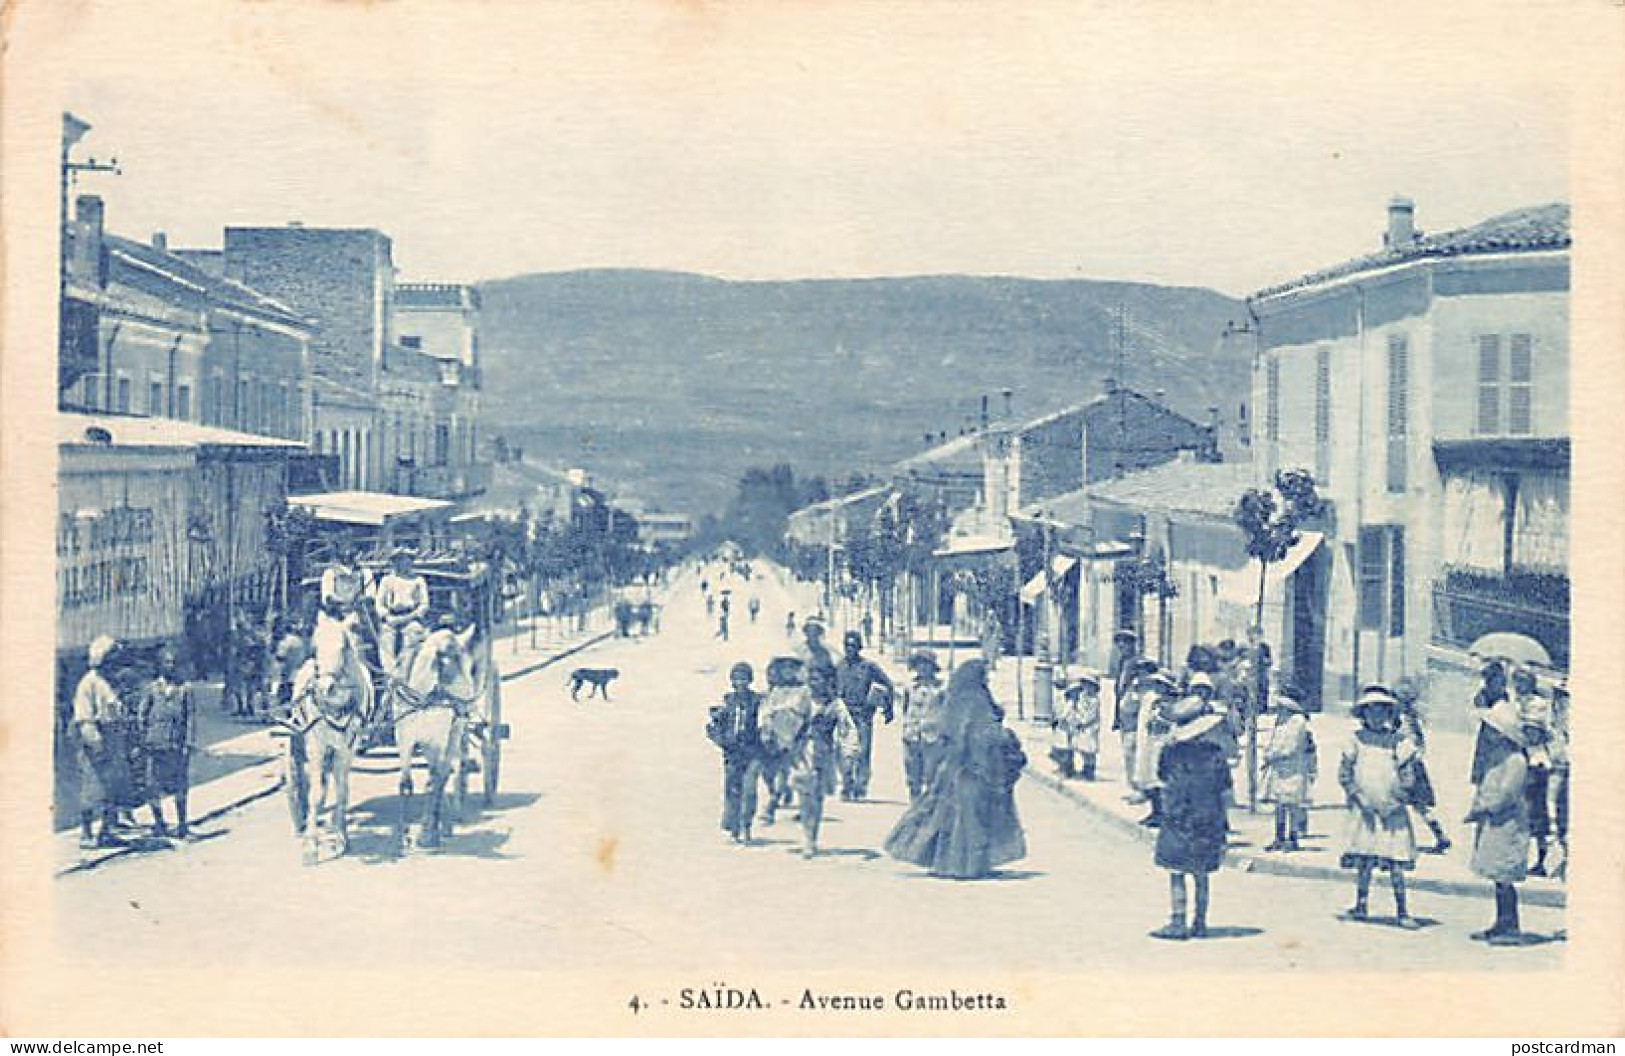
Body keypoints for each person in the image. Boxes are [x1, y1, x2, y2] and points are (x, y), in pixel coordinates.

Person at [885, 659, 1027, 879]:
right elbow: (974, 734)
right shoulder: (973, 702)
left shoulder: (962, 700)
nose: (986, 680)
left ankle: (955, 863)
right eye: (984, 676)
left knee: (950, 818)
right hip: (972, 769)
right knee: (969, 819)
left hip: (962, 768)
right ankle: (967, 865)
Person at [1337, 686, 1422, 929]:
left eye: (1382, 711)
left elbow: (1409, 778)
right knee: (1365, 859)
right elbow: (1345, 775)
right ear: (1363, 714)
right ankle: (1361, 904)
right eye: (1371, 711)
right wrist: (1359, 798)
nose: (1376, 716)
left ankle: (1402, 911)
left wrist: (1396, 801)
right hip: (1364, 810)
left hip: (1391, 810)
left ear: (1389, 714)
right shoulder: (1355, 740)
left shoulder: (1399, 742)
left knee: (1395, 860)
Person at [1149, 692, 1232, 940]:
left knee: (1176, 871)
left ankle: (1178, 921)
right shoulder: (1215, 754)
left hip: (1178, 816)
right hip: (1209, 817)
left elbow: (1162, 778)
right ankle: (1200, 922)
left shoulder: (1170, 753)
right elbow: (1225, 790)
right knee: (1201, 873)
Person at [1466, 695, 1544, 945]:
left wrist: (1486, 808)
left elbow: (1508, 794)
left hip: (1507, 824)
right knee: (1498, 878)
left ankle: (1511, 927)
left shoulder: (1515, 760)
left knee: (1505, 876)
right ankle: (1501, 923)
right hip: (1495, 822)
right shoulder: (1498, 756)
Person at [73, 636, 132, 849]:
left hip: (114, 739)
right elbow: (84, 718)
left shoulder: (110, 681)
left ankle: (106, 831)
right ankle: (87, 833)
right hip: (96, 742)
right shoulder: (88, 683)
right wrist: (97, 745)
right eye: (112, 658)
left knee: (113, 788)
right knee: (92, 789)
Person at [139, 645, 196, 838]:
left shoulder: (185, 689)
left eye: (174, 663)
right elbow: (142, 715)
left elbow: (190, 717)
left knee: (180, 784)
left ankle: (182, 824)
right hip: (155, 743)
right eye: (167, 662)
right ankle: (159, 823)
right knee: (153, 785)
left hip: (176, 744)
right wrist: (144, 739)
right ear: (160, 665)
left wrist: (189, 743)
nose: (170, 666)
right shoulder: (152, 688)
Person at [789, 661, 844, 858]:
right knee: (805, 795)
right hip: (803, 752)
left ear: (827, 681)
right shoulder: (801, 699)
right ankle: (807, 837)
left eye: (817, 679)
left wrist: (847, 752)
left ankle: (813, 835)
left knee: (818, 797)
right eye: (811, 679)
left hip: (824, 753)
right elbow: (787, 721)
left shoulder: (835, 704)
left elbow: (846, 730)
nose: (813, 683)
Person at [834, 630, 895, 801]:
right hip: (844, 715)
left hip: (863, 715)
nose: (850, 649)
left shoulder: (869, 667)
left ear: (859, 647)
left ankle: (860, 787)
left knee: (863, 752)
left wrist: (888, 708)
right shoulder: (839, 667)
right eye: (847, 645)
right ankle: (846, 785)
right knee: (844, 752)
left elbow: (888, 684)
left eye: (853, 645)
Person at [705, 662, 762, 845]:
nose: (740, 683)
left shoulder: (757, 701)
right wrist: (721, 740)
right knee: (733, 790)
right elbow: (714, 726)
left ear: (750, 680)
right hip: (732, 753)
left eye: (744, 679)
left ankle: (746, 825)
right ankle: (734, 827)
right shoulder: (727, 702)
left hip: (752, 752)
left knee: (749, 790)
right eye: (737, 679)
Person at [1393, 676, 1451, 854]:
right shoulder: (1412, 720)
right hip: (1415, 766)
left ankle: (1396, 840)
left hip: (1404, 766)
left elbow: (1407, 746)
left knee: (1396, 801)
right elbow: (1420, 745)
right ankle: (1440, 835)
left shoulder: (1401, 721)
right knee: (1420, 806)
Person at [1510, 668, 1555, 875]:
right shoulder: (1514, 702)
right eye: (1516, 681)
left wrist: (1520, 722)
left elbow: (1536, 732)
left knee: (1533, 815)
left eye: (1522, 682)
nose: (1518, 686)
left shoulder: (1538, 704)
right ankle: (1522, 858)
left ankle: (1539, 861)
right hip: (1522, 760)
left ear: (1530, 683)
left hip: (1536, 762)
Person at [1261, 682, 1315, 852]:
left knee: (1292, 804)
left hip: (1293, 768)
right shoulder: (1281, 721)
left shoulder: (1298, 722)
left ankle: (1292, 838)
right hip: (1279, 768)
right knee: (1279, 804)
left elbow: (1291, 746)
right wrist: (1268, 753)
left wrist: (1274, 755)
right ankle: (1279, 837)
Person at [756, 656, 807, 828]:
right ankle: (778, 791)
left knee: (785, 770)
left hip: (794, 736)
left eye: (792, 668)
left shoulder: (803, 691)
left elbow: (808, 714)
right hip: (773, 735)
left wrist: (802, 735)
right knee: (768, 772)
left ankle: (771, 805)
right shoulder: (775, 691)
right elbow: (765, 712)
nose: (788, 672)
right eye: (784, 668)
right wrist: (765, 730)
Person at [1134, 670, 1180, 826]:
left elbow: (1170, 722)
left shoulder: (1171, 703)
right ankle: (1154, 812)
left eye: (1161, 684)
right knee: (1148, 776)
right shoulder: (1152, 701)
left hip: (1163, 742)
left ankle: (1162, 814)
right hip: (1151, 741)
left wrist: (1159, 720)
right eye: (1156, 684)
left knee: (1158, 777)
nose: (1158, 687)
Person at [899, 650, 947, 801]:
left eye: (926, 664)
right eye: (919, 664)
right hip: (912, 736)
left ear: (933, 667)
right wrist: (908, 727)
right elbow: (905, 708)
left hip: (932, 737)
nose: (923, 668)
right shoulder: (910, 687)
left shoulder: (941, 689)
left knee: (932, 776)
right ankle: (914, 804)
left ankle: (930, 807)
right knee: (913, 776)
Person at [374, 549, 429, 673]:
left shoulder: (418, 580)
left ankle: (405, 672)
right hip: (391, 618)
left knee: (413, 636)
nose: (404, 563)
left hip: (411, 617)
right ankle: (390, 674)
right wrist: (387, 617)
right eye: (400, 560)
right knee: (385, 639)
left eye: (407, 560)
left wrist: (411, 616)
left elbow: (424, 604)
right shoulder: (386, 580)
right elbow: (379, 604)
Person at [1117, 657, 1156, 804]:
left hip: (1143, 730)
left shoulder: (1152, 690)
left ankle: (1143, 790)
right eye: (1139, 671)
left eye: (1144, 671)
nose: (1141, 674)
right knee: (1130, 757)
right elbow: (1126, 706)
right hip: (1131, 726)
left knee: (1143, 759)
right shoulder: (1136, 687)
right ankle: (1134, 788)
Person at [1051, 671, 1102, 780]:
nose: (1087, 687)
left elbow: (1090, 715)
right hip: (1078, 726)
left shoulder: (1094, 700)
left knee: (1089, 751)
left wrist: (1081, 721)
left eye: (1089, 685)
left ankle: (1088, 772)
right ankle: (1069, 768)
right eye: (1085, 684)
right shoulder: (1081, 697)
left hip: (1089, 727)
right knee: (1078, 747)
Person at [1548, 680, 1570, 882]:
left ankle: (1567, 858)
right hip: (1555, 766)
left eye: (1562, 695)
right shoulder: (1557, 714)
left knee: (1558, 811)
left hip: (1563, 767)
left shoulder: (1567, 715)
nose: (1558, 698)